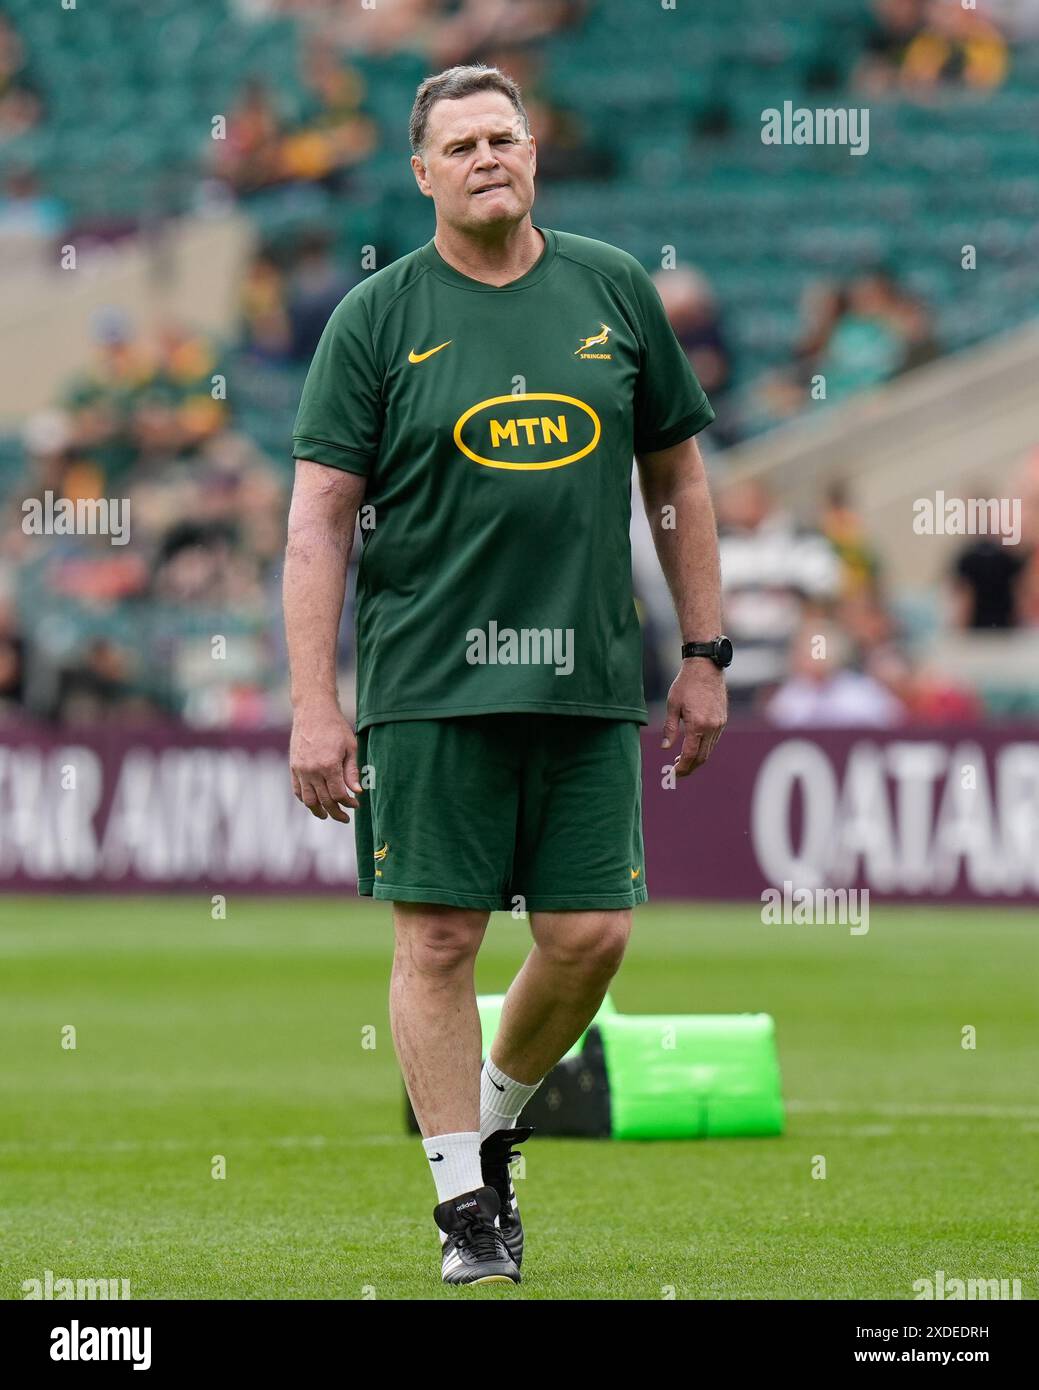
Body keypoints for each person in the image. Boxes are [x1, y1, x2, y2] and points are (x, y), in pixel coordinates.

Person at [283, 63, 727, 1286]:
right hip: (427, 681)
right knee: (438, 940)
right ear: (421, 172)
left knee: (589, 935)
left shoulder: (613, 289)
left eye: (506, 137)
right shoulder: (375, 317)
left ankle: (486, 1121)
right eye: (461, 144)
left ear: (533, 153)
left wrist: (701, 653)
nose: (489, 157)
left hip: (586, 678)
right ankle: (462, 1208)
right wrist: (315, 700)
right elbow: (319, 520)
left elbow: (678, 482)